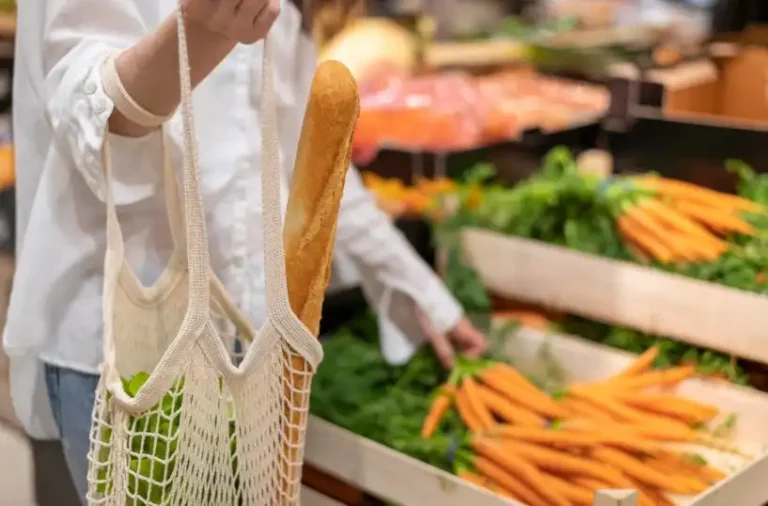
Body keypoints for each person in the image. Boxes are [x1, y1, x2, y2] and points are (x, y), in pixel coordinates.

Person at [6, 0, 487, 502]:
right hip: (128, 350)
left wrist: (424, 294)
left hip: (248, 345)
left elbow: (311, 170)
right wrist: (203, 30)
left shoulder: (291, 15)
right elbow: (91, 109)